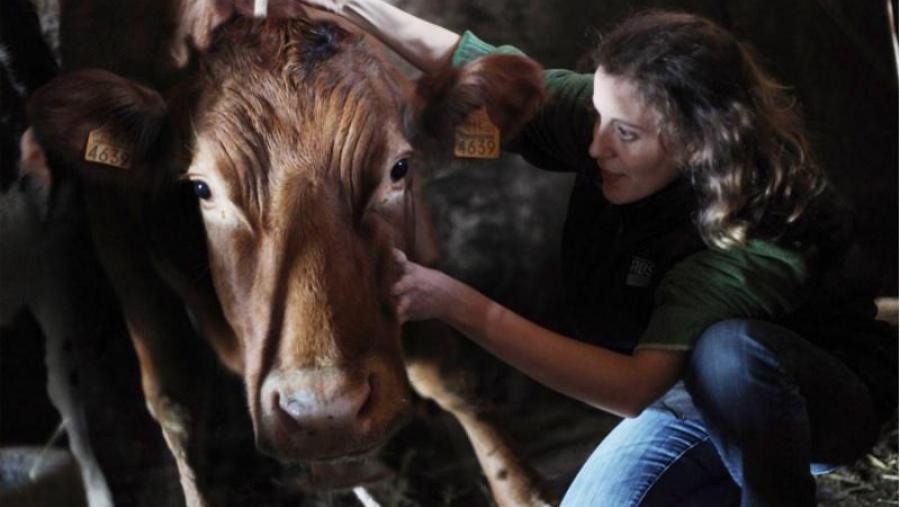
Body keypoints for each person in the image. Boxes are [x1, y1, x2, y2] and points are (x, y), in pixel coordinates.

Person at [297, 2, 897, 506]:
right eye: (600, 115)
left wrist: (457, 304)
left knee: (729, 353)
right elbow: (479, 63)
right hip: (683, 399)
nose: (594, 145)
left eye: (624, 134)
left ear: (694, 144)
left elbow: (632, 388)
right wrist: (351, 4)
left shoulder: (753, 232)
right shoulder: (618, 118)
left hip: (806, 408)